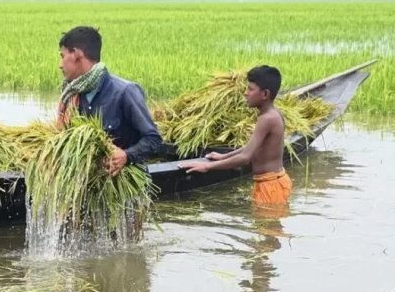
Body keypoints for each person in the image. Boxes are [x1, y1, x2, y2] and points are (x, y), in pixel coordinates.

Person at [178, 65, 293, 206]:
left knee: (267, 220)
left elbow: (245, 158)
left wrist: (207, 167)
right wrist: (224, 156)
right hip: (272, 182)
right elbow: (251, 148)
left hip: (270, 186)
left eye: (250, 89)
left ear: (265, 94)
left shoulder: (267, 119)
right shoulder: (273, 114)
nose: (245, 93)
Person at [57, 26, 162, 177]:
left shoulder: (125, 92)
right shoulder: (73, 96)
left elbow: (153, 139)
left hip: (123, 180)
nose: (60, 65)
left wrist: (126, 156)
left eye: (62, 56)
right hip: (89, 180)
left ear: (76, 54)